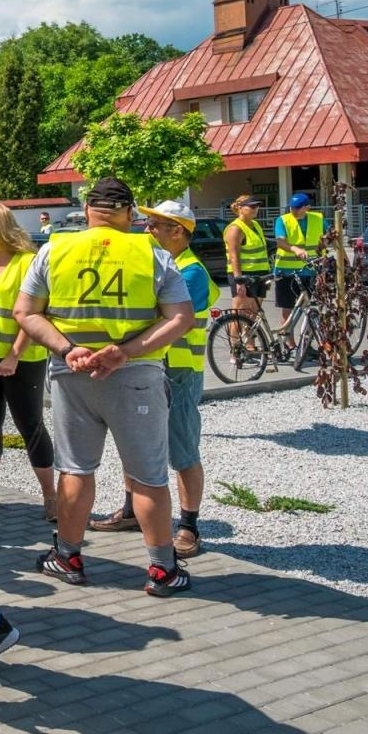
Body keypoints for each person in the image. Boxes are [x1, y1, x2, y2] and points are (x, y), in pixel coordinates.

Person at [15, 176, 196, 597]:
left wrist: (67, 348)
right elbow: (181, 317)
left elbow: (25, 312)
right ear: (129, 213)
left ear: (87, 210)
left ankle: (68, 557)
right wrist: (126, 352)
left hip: (73, 375)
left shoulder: (54, 249)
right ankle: (162, 570)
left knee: (75, 469)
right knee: (148, 475)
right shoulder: (151, 253)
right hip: (136, 378)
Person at [92, 201, 218, 560]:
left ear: (178, 231)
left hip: (178, 374)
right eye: (147, 223)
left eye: (155, 225)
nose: (147, 230)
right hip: (152, 368)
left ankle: (189, 526)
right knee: (136, 443)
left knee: (183, 450)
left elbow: (159, 318)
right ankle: (132, 511)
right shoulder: (163, 265)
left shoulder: (191, 272)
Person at [0, 203, 54, 520]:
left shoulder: (27, 262)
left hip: (23, 357)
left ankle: (51, 496)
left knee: (30, 424)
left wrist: (14, 354)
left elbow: (35, 312)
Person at [272, 193, 324, 347]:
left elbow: (332, 237)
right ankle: (289, 342)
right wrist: (294, 248)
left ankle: (306, 344)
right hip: (285, 270)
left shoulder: (318, 219)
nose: (293, 210)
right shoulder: (283, 220)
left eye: (298, 208)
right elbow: (280, 242)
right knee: (287, 307)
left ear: (307, 207)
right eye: (292, 207)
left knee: (309, 308)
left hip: (310, 271)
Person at [223, 195, 270, 320]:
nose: (256, 209)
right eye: (252, 206)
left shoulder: (255, 224)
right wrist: (239, 281)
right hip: (244, 275)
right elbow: (234, 256)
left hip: (259, 274)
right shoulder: (235, 228)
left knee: (252, 316)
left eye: (257, 206)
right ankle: (235, 335)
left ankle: (250, 334)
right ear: (240, 208)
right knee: (239, 317)